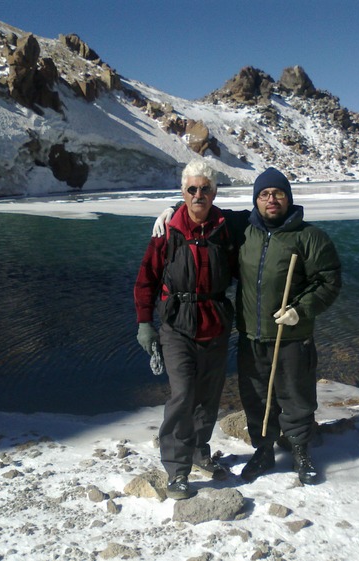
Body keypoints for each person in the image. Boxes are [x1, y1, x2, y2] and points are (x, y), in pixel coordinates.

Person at [134, 160, 237, 500]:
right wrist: (145, 324)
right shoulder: (167, 232)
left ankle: (198, 451)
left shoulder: (225, 227)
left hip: (215, 324)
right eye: (192, 189)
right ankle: (177, 470)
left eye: (205, 188)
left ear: (215, 192)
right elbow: (146, 279)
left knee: (208, 397)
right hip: (177, 325)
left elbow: (264, 224)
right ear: (183, 192)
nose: (198, 195)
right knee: (182, 397)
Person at [236, 168, 342, 485]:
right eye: (265, 194)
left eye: (278, 194)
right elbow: (205, 213)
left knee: (296, 396)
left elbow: (329, 281)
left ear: (288, 198)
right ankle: (264, 450)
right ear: (256, 200)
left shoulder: (309, 237)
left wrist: (301, 309)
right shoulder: (244, 232)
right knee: (256, 397)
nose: (272, 199)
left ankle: (299, 450)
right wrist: (172, 209)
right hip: (252, 335)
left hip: (292, 336)